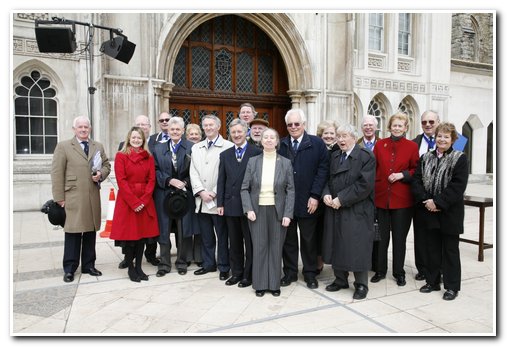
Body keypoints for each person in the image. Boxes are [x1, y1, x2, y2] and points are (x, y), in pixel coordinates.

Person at [411, 122, 468, 301]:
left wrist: (438, 202)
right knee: (432, 249)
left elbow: (457, 187)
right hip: (428, 211)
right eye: (439, 136)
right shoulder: (426, 157)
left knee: (450, 251)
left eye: (446, 136)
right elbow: (416, 181)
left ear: (452, 139)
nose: (442, 139)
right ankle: (432, 281)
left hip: (450, 212)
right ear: (435, 138)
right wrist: (427, 201)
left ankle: (451, 287)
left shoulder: (460, 158)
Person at [51, 116, 111, 283]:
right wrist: (59, 198)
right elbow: (56, 173)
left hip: (92, 195)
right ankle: (70, 268)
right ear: (74, 129)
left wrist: (101, 174)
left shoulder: (97, 146)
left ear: (90, 129)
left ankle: (89, 265)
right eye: (80, 127)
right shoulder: (63, 146)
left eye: (86, 127)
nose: (83, 129)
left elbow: (106, 165)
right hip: (73, 196)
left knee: (90, 231)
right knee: (73, 232)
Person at [322, 124, 376, 300]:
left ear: (354, 137)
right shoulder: (335, 155)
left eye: (345, 136)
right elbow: (329, 179)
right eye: (339, 136)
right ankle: (340, 279)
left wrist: (341, 199)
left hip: (356, 209)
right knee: (337, 243)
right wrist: (327, 194)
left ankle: (361, 284)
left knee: (357, 246)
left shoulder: (365, 156)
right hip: (335, 207)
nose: (341, 140)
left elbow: (364, 185)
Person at [278, 109, 329, 289]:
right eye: (290, 124)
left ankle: (310, 273)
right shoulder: (281, 145)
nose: (293, 127)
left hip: (309, 201)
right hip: (287, 202)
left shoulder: (316, 143)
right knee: (289, 240)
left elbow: (323, 171)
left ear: (304, 124)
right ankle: (290, 272)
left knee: (309, 239)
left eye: (297, 124)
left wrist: (315, 196)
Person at [241, 128, 295, 297]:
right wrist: (248, 209)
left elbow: (291, 190)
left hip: (278, 211)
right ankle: (260, 284)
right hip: (257, 211)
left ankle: (274, 284)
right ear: (261, 141)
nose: (269, 140)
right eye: (266, 137)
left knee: (276, 247)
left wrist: (288, 214)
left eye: (272, 137)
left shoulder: (285, 162)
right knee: (259, 247)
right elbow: (244, 188)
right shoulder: (253, 161)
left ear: (277, 141)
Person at [371, 112, 419, 286]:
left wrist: (402, 175)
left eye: (400, 125)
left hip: (403, 200)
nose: (397, 128)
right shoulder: (380, 144)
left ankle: (399, 272)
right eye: (394, 125)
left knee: (399, 239)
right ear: (389, 127)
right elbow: (373, 167)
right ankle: (380, 270)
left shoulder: (412, 147)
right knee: (382, 239)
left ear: (405, 127)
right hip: (382, 198)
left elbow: (416, 170)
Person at [110, 127, 160, 282]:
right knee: (131, 238)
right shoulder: (121, 156)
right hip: (127, 201)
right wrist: (134, 202)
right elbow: (121, 181)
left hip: (145, 201)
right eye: (134, 137)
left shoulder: (149, 157)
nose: (136, 140)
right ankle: (131, 268)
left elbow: (152, 180)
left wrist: (144, 200)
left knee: (142, 238)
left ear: (143, 140)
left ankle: (139, 267)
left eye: (139, 138)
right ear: (128, 139)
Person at [217, 119, 262, 288]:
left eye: (239, 132)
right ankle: (236, 273)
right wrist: (220, 203)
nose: (236, 135)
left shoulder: (256, 152)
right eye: (233, 132)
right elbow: (221, 180)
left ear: (246, 133)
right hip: (230, 205)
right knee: (234, 242)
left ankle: (248, 275)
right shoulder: (225, 154)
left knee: (249, 242)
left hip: (249, 206)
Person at [190, 115, 234, 280]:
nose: (208, 128)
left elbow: (228, 174)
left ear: (218, 126)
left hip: (219, 200)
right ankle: (209, 264)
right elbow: (193, 171)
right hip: (201, 200)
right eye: (205, 125)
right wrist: (201, 191)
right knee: (206, 236)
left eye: (211, 125)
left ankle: (224, 266)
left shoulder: (228, 146)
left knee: (222, 236)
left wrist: (215, 192)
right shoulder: (196, 147)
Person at [152, 116, 195, 276]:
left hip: (184, 195)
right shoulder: (158, 148)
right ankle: (164, 264)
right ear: (167, 131)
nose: (175, 132)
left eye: (178, 129)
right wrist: (169, 180)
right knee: (163, 229)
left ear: (183, 131)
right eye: (172, 129)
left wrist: (184, 182)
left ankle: (182, 262)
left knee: (184, 229)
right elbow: (155, 171)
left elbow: (197, 171)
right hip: (164, 194)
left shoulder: (191, 147)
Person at [412, 110, 441, 281]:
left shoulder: (450, 141)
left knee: (438, 236)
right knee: (421, 236)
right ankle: (422, 268)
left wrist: (437, 200)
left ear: (438, 122)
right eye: (424, 122)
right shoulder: (414, 143)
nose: (428, 125)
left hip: (440, 200)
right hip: (420, 198)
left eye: (431, 121)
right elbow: (414, 172)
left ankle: (439, 268)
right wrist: (423, 197)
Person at [315, 120, 339, 273]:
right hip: (318, 195)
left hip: (335, 198)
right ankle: (318, 262)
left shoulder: (339, 150)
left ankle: (336, 261)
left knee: (334, 232)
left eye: (332, 133)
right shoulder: (317, 148)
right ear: (320, 135)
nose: (329, 136)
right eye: (326, 133)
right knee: (318, 231)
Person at [184, 123, 204, 266]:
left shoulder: (203, 149)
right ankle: (187, 256)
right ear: (186, 136)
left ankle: (199, 256)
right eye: (191, 134)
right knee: (186, 226)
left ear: (200, 136)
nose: (194, 136)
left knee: (200, 226)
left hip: (201, 193)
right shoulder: (184, 149)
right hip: (186, 193)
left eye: (196, 134)